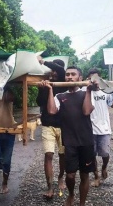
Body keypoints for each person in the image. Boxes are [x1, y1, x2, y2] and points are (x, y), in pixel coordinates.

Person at [43, 66, 96, 206]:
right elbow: (51, 111)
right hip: (70, 141)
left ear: (80, 78)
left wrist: (89, 90)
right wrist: (49, 89)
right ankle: (71, 194)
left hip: (86, 141)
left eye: (73, 74)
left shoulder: (87, 93)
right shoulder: (60, 96)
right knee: (70, 175)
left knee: (85, 175)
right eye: (67, 75)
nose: (70, 77)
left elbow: (86, 111)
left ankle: (82, 203)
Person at [36, 56, 66, 199]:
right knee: (48, 154)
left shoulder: (65, 84)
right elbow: (39, 102)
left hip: (64, 125)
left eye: (55, 71)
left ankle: (60, 177)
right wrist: (42, 89)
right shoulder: (47, 82)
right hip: (47, 124)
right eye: (51, 71)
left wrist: (43, 61)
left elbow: (61, 69)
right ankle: (50, 186)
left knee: (62, 155)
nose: (53, 73)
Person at [84, 69, 113, 187]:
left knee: (105, 153)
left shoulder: (106, 92)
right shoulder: (84, 92)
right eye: (91, 79)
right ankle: (96, 177)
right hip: (89, 129)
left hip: (104, 128)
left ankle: (104, 167)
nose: (94, 81)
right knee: (92, 155)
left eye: (96, 78)